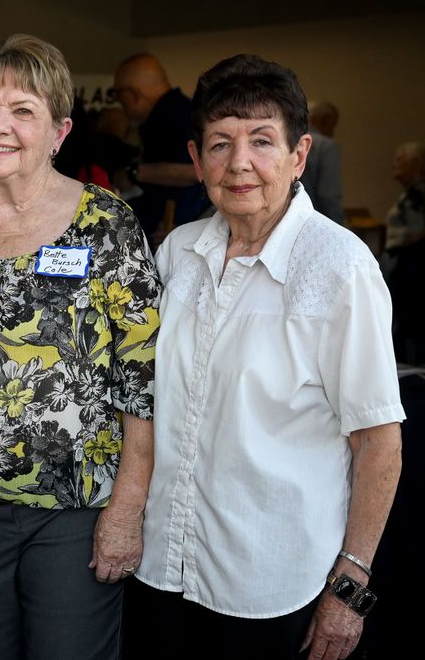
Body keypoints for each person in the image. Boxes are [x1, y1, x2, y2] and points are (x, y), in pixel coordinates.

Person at [126, 54, 403, 660]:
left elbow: (378, 440)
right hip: (163, 568)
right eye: (220, 144)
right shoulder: (179, 252)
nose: (240, 162)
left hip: (273, 583)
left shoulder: (339, 268)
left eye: (262, 141)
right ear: (197, 162)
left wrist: (349, 588)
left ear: (298, 156)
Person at [0, 34, 161, 660]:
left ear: (59, 131)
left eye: (23, 110)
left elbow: (144, 380)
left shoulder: (106, 223)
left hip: (76, 512)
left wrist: (127, 509)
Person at [113, 52, 204, 240]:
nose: (120, 103)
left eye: (119, 94)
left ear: (132, 95)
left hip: (176, 232)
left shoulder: (173, 116)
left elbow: (198, 171)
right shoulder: (175, 110)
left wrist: (135, 172)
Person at [385, 141, 425, 362]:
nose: (394, 164)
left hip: (412, 270)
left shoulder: (419, 193)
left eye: (401, 159)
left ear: (416, 164)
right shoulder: (410, 193)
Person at [301, 100, 344, 224]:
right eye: (333, 125)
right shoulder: (326, 146)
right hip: (315, 223)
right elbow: (328, 195)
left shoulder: (287, 141)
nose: (333, 131)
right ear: (325, 119)